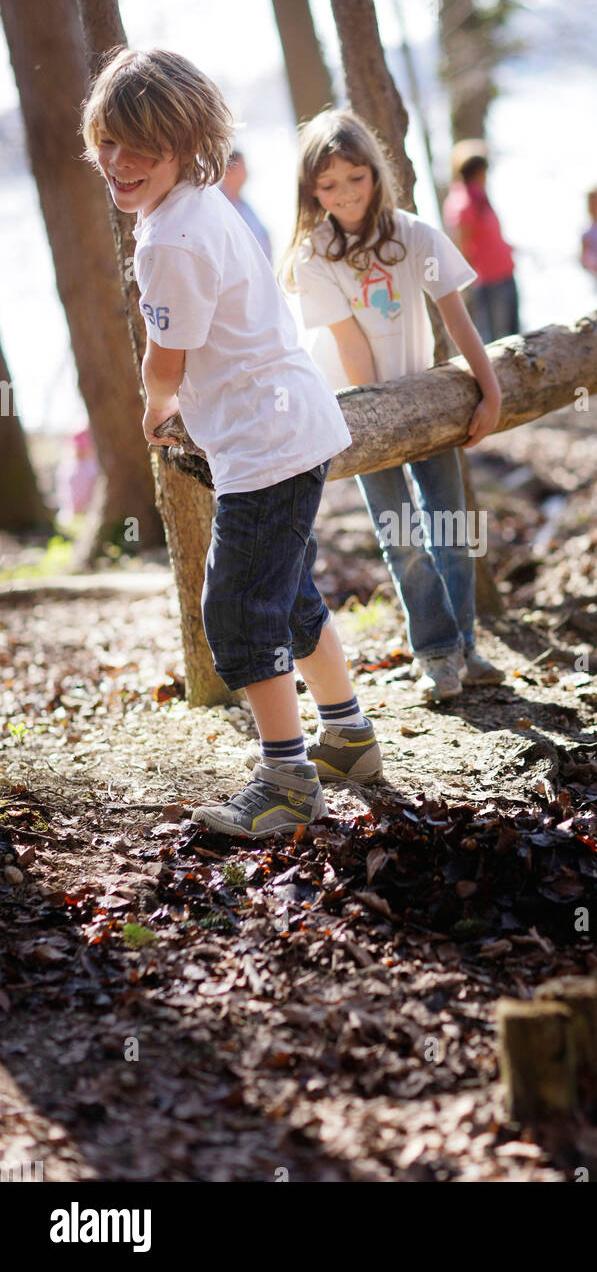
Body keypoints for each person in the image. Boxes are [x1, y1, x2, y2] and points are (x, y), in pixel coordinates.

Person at [81, 48, 382, 839]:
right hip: (286, 427)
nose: (118, 161)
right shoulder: (198, 204)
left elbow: (168, 357)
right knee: (286, 593)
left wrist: (155, 406)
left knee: (239, 610)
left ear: (187, 143)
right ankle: (347, 738)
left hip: (266, 441)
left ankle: (286, 781)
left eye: (140, 146)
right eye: (107, 141)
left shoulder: (167, 240)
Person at [282, 109, 504, 705]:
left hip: (428, 404)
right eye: (328, 186)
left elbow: (457, 318)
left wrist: (491, 389)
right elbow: (352, 347)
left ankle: (465, 647)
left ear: (375, 174)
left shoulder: (415, 235)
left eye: (355, 178)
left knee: (450, 530)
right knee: (402, 537)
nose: (345, 195)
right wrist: (384, 420)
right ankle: (435, 654)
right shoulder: (315, 255)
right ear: (311, 192)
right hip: (359, 416)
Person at [442, 139, 520, 344]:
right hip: (488, 281)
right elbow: (462, 244)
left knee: (514, 335)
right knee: (498, 339)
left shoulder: (479, 197)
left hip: (504, 272)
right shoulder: (462, 203)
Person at [219, 148, 272, 262]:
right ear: (229, 171)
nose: (247, 173)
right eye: (242, 167)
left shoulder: (244, 205)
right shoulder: (216, 205)